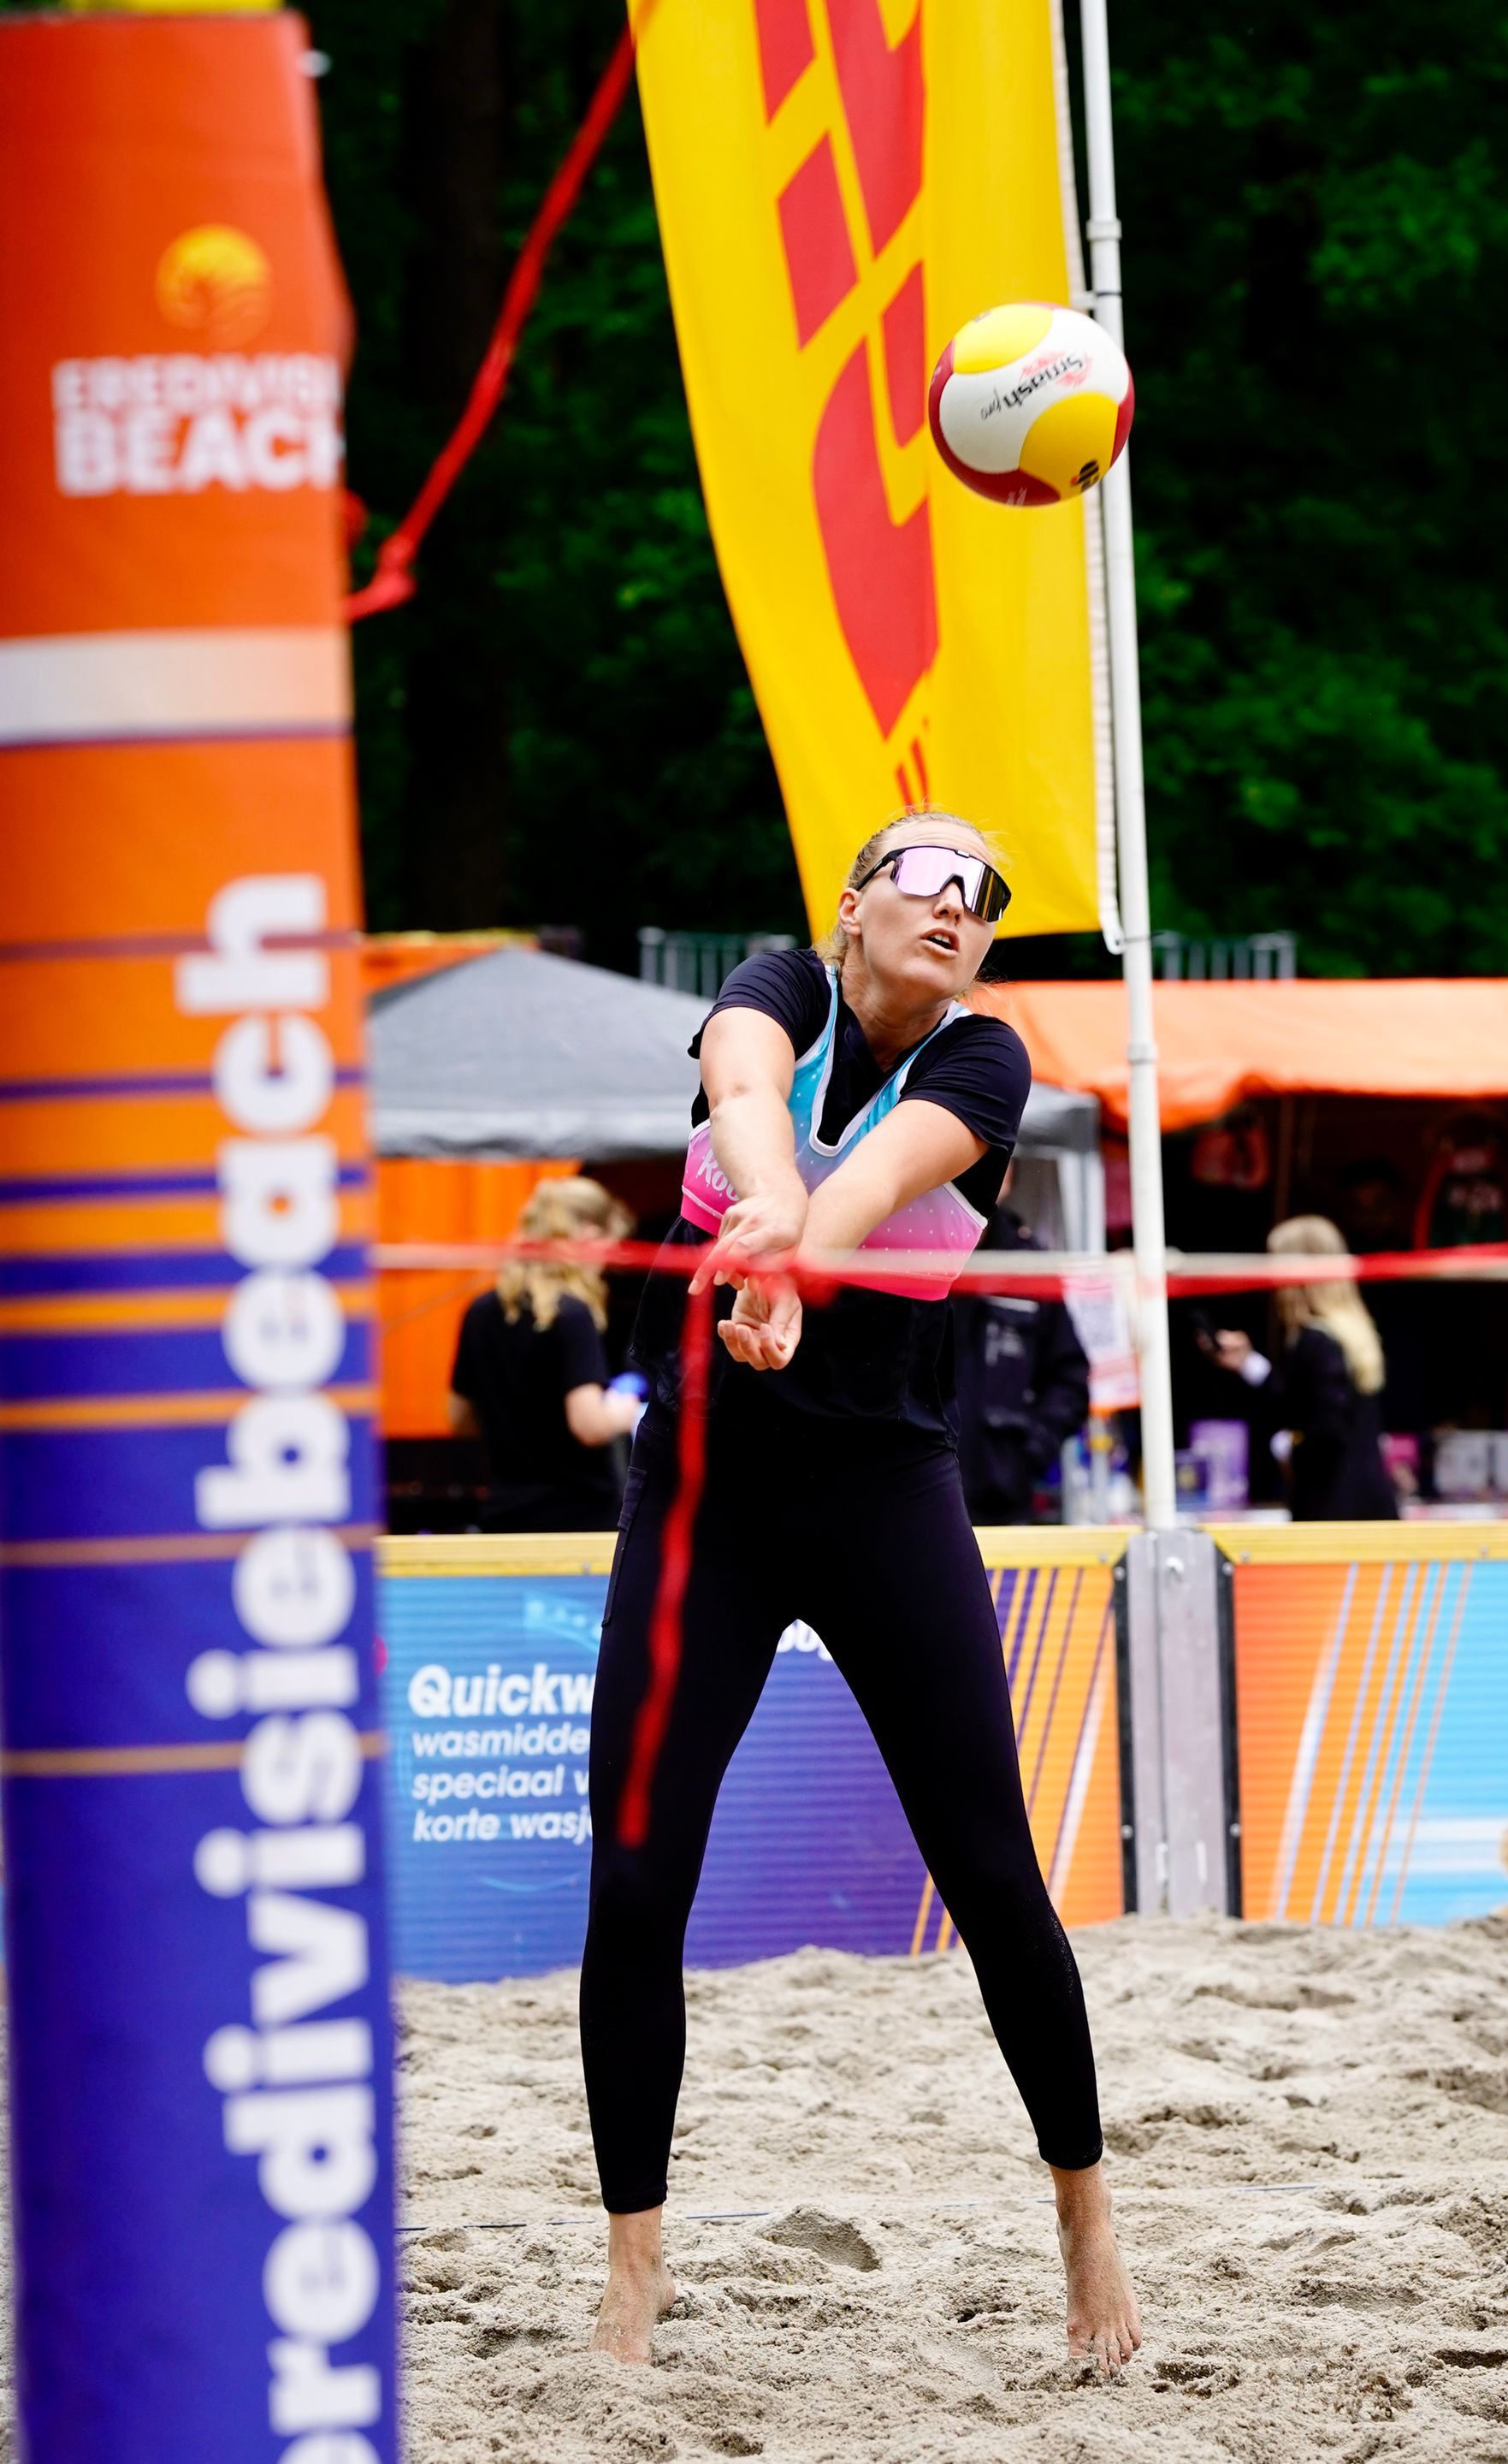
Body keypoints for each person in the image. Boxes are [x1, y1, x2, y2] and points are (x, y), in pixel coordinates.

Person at [580, 812, 1141, 2375]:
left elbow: (886, 1169)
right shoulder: (771, 986)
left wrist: (785, 1261)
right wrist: (767, 1225)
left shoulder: (986, 1059)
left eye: (986, 896)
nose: (960, 906)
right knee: (633, 1879)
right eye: (930, 875)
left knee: (995, 1877)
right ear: (852, 905)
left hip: (885, 1494)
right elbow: (750, 1098)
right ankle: (638, 2260)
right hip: (705, 1494)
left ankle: (1084, 2211)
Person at [447, 1176, 642, 1532]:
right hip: (577, 1522)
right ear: (585, 1235)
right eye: (606, 1249)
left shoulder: (479, 1311)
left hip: (505, 1515)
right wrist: (624, 1408)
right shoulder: (572, 1314)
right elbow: (589, 1425)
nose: (604, 1266)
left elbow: (459, 1417)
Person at [1203, 1214, 1399, 1520]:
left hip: (1334, 1514)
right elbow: (1305, 1403)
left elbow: (1326, 1428)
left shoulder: (1316, 1340)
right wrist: (1249, 1364)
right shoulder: (1349, 1333)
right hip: (1365, 1508)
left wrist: (1288, 1449)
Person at [952, 1174, 1091, 1523]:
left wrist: (1028, 1449)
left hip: (1002, 1505)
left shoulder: (1030, 1266)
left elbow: (1070, 1379)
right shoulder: (909, 1254)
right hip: (915, 1494)